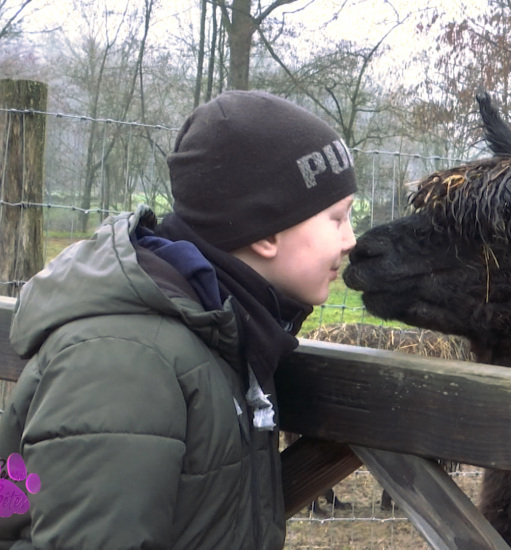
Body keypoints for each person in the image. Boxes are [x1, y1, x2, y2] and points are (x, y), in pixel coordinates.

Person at [0, 90, 357, 549]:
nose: (350, 240)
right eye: (336, 218)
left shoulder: (223, 330)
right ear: (268, 232)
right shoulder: (126, 361)